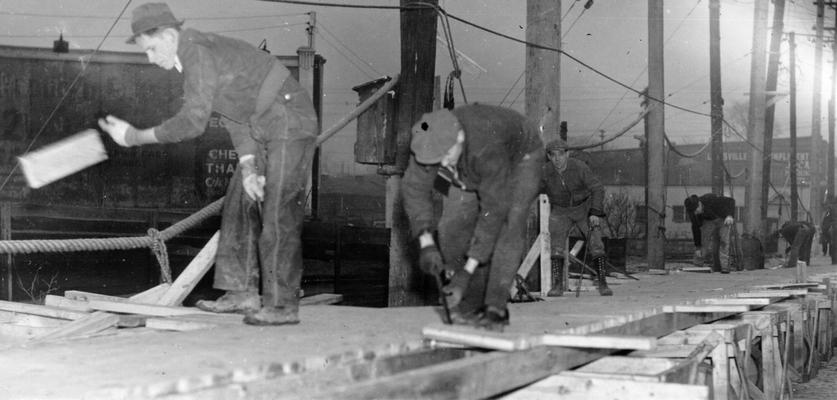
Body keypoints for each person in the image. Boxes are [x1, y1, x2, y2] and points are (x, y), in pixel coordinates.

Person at [97, 3, 318, 326]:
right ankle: (241, 292)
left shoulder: (195, 52)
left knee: (277, 210)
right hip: (262, 123)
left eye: (152, 48)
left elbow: (193, 122)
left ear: (170, 35)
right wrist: (248, 169)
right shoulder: (196, 56)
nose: (149, 58)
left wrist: (134, 136)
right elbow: (234, 116)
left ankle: (282, 305)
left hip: (289, 119)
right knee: (238, 202)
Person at [402, 104, 544, 331]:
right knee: (452, 223)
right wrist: (426, 242)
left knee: (510, 223)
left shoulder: (486, 148)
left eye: (446, 156)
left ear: (459, 138)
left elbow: (493, 214)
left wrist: (466, 273)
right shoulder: (427, 141)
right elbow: (414, 191)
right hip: (469, 162)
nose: (444, 165)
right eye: (437, 160)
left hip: (521, 156)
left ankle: (495, 307)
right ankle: (469, 304)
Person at [540, 138, 611, 297]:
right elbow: (535, 189)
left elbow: (598, 189)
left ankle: (602, 282)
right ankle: (557, 285)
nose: (557, 159)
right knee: (556, 244)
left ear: (567, 154)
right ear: (549, 157)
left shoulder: (579, 167)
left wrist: (594, 212)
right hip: (561, 210)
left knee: (596, 241)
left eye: (560, 154)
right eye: (553, 155)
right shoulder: (545, 171)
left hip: (583, 208)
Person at [684, 193, 736, 273]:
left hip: (722, 218)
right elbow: (696, 229)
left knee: (724, 242)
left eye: (696, 210)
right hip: (708, 221)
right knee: (703, 241)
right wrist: (698, 247)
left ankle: (725, 268)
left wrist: (730, 215)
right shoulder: (693, 213)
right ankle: (697, 265)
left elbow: (731, 201)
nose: (696, 213)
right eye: (693, 212)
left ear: (699, 204)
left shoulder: (711, 199)